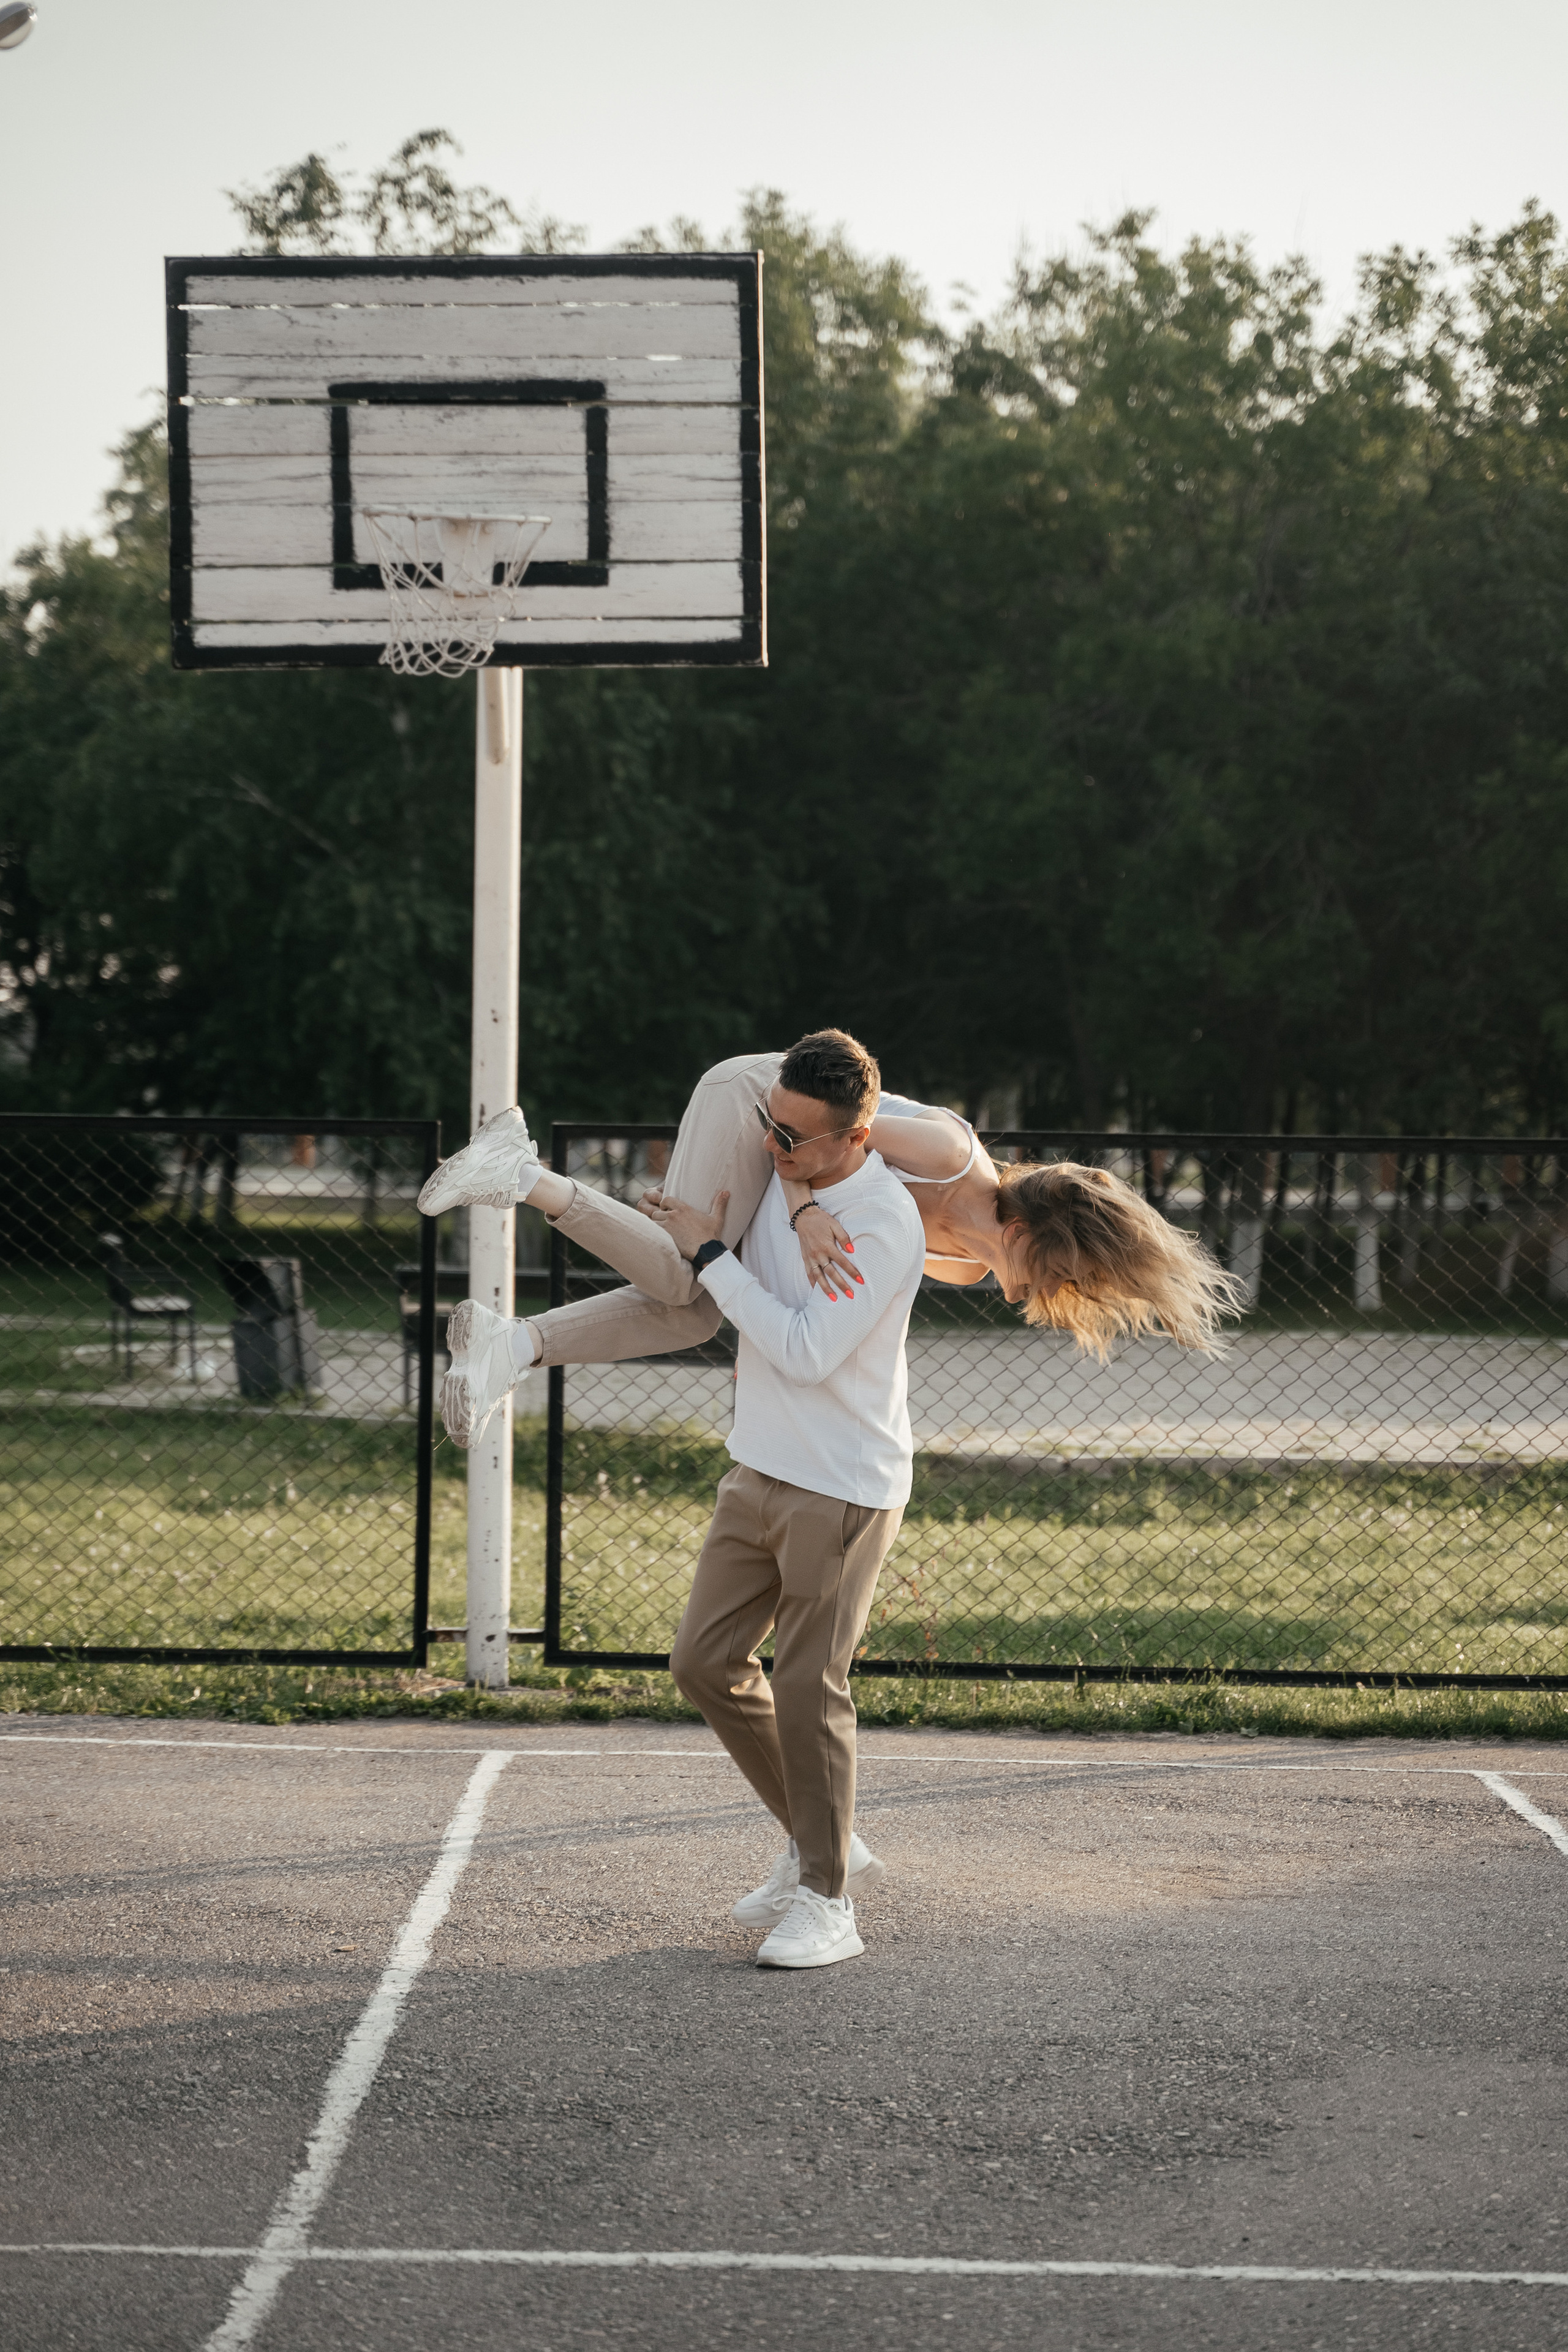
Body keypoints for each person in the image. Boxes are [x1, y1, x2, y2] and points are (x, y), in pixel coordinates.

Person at [431, 1030, 927, 1971]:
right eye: (767, 1131)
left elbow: (804, 1351)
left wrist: (710, 1249)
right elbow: (756, 1218)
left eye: (794, 1141)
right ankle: (818, 1841)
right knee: (703, 1662)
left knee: (807, 1687)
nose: (773, 1151)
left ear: (858, 1138)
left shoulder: (886, 1222)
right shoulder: (798, 1177)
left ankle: (829, 1899)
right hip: (760, 1470)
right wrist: (768, 1206)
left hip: (842, 1483)